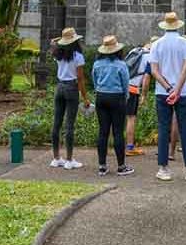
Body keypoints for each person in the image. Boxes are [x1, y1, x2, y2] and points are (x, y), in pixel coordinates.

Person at [150, 12, 186, 182]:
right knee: (185, 129)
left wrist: (168, 88)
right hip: (184, 92)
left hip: (162, 92)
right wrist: (177, 90)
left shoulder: (156, 44)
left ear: (165, 26)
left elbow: (154, 71)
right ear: (178, 25)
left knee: (163, 129)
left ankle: (163, 168)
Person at [92, 35, 134, 177]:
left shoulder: (97, 64)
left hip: (101, 97)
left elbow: (94, 80)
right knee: (117, 132)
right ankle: (121, 166)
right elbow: (126, 84)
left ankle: (102, 166)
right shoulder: (121, 65)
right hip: (117, 98)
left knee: (103, 131)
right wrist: (126, 98)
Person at [50, 27, 89, 170]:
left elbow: (52, 43)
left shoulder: (57, 53)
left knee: (57, 123)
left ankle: (56, 158)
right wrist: (85, 97)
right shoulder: (77, 56)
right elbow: (80, 79)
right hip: (71, 88)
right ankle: (69, 159)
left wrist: (58, 40)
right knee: (69, 125)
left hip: (59, 87)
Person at [125, 37, 156, 157]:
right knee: (131, 118)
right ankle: (130, 147)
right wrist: (144, 95)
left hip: (121, 87)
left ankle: (109, 145)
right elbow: (146, 79)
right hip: (133, 89)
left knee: (117, 118)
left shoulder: (134, 51)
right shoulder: (150, 57)